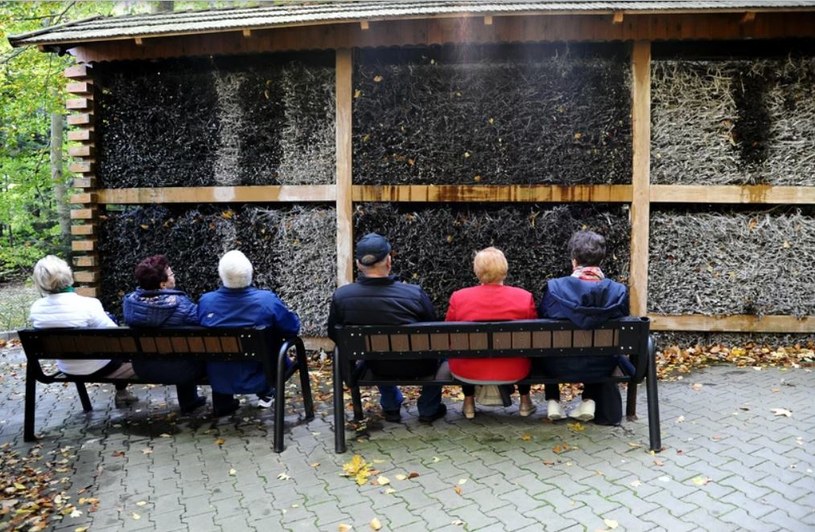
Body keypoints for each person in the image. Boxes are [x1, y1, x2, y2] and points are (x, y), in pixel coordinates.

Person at [327, 233, 446, 424]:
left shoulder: (342, 297)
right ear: (389, 261)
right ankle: (428, 408)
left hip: (377, 367)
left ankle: (391, 405)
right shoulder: (414, 294)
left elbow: (334, 334)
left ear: (358, 264)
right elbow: (433, 331)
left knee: (377, 351)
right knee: (441, 350)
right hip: (421, 366)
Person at [537, 230, 629, 425]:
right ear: (601, 260)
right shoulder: (618, 292)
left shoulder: (554, 288)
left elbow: (541, 322)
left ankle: (553, 401)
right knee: (598, 349)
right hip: (601, 367)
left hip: (556, 365)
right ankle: (588, 400)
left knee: (544, 346)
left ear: (574, 261)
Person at [198, 250, 301, 417]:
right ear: (251, 272)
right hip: (263, 374)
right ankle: (266, 393)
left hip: (219, 375)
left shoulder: (206, 302)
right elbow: (291, 328)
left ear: (221, 274)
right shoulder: (266, 300)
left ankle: (223, 402)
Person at [28, 255, 138, 408]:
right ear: (68, 275)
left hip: (67, 368)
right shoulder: (89, 304)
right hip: (100, 368)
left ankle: (120, 394)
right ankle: (122, 392)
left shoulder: (36, 309)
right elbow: (115, 335)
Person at [446, 247, 537, 419]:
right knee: (526, 350)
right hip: (514, 369)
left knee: (462, 350)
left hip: (469, 370)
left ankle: (468, 404)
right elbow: (533, 335)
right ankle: (525, 402)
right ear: (504, 268)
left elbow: (448, 332)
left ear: (477, 271)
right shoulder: (524, 297)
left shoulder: (459, 297)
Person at [122, 255, 207, 413]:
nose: (174, 276)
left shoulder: (130, 304)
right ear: (163, 284)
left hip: (143, 369)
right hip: (182, 370)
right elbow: (203, 323)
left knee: (179, 352)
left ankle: (190, 400)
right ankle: (193, 402)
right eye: (172, 274)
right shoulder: (181, 305)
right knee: (189, 352)